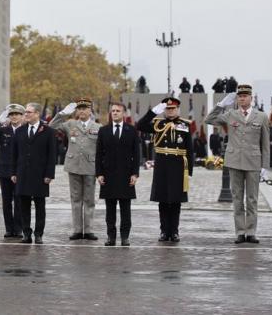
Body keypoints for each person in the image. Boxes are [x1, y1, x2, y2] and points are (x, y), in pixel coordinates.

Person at [206, 85, 270, 244]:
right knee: (237, 198)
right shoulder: (231, 114)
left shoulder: (261, 116)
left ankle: (251, 232)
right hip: (234, 161)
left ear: (251, 98)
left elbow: (265, 143)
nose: (242, 98)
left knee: (252, 199)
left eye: (245, 96)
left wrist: (265, 165)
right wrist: (221, 105)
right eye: (239, 96)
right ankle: (240, 232)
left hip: (253, 161)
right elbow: (209, 119)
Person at [136, 97, 194, 243]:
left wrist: (189, 172)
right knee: (162, 200)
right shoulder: (158, 124)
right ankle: (163, 231)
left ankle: (174, 231)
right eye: (167, 109)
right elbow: (140, 125)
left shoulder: (184, 125)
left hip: (178, 166)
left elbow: (189, 149)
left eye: (173, 108)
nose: (170, 111)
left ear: (178, 109)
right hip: (162, 166)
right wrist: (153, 112)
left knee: (175, 201)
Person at [49, 98, 101, 241]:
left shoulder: (98, 127)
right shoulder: (70, 124)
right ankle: (77, 230)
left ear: (90, 110)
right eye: (80, 109)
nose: (82, 111)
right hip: (73, 166)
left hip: (90, 166)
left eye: (85, 108)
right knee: (76, 199)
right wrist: (62, 114)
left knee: (89, 200)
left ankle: (89, 230)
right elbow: (51, 127)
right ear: (76, 111)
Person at [11, 103, 57, 244]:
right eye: (25, 112)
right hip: (23, 173)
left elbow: (52, 155)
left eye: (29, 112)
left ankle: (38, 234)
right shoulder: (20, 131)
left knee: (39, 206)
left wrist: (49, 174)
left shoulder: (48, 131)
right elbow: (14, 154)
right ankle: (26, 233)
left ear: (37, 114)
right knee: (23, 205)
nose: (26, 114)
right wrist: (13, 172)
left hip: (40, 174)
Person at [96, 102, 139, 246]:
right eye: (113, 111)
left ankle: (125, 236)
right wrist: (99, 173)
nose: (114, 113)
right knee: (110, 209)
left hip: (126, 175)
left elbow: (136, 154)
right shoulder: (104, 131)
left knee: (125, 209)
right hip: (108, 175)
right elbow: (98, 154)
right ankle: (111, 237)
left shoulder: (132, 130)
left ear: (124, 114)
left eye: (118, 111)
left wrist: (135, 173)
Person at [0, 103, 25, 238]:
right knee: (6, 201)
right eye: (11, 115)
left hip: (20, 171)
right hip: (5, 170)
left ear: (22, 116)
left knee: (19, 201)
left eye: (16, 114)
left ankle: (18, 228)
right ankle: (9, 228)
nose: (14, 117)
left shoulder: (25, 130)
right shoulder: (3, 130)